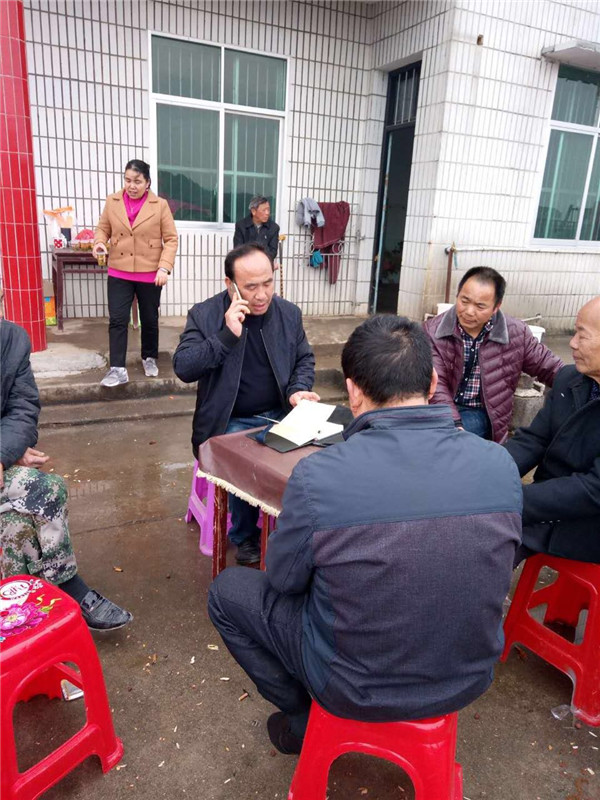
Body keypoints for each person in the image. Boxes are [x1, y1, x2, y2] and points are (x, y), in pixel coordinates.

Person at [208, 315, 522, 754]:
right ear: (432, 382)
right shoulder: (500, 464)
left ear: (353, 392)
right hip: (468, 680)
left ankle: (302, 715)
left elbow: (283, 580)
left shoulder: (318, 476)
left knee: (227, 591)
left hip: (352, 687)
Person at [173, 243, 318, 565]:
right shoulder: (205, 314)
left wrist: (297, 390)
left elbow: (304, 359)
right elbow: (183, 368)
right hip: (230, 420)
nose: (262, 295)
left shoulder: (288, 314)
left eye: (268, 283)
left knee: (314, 458)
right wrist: (226, 335)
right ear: (231, 285)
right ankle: (245, 535)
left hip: (281, 413)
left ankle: (290, 529)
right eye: (251, 287)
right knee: (246, 462)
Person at [0, 318, 132, 630]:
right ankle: (58, 596)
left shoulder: (11, 339)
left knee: (35, 503)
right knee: (26, 507)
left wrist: (4, 453)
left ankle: (29, 609)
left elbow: (22, 411)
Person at [505, 296, 600, 564]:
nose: (572, 343)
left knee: (490, 541)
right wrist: (490, 472)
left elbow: (593, 490)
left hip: (587, 525)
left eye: (582, 335)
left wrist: (513, 500)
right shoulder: (570, 379)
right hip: (545, 504)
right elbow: (534, 440)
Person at [423, 266, 563, 443]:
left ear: (496, 307)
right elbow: (437, 385)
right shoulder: (432, 331)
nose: (469, 311)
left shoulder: (516, 333)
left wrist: (583, 385)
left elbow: (548, 365)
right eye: (464, 301)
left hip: (483, 413)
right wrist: (453, 424)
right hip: (439, 410)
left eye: (480, 306)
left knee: (437, 442)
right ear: (457, 296)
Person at [93, 159, 178, 387]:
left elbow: (171, 239)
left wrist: (164, 267)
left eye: (137, 181)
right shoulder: (112, 201)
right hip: (119, 270)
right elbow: (103, 228)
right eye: (128, 180)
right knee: (117, 320)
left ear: (147, 182)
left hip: (150, 272)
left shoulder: (160, 205)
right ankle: (117, 369)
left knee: (149, 319)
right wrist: (99, 242)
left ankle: (149, 357)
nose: (131, 186)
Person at [233, 196, 280, 262]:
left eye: (268, 210)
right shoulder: (241, 226)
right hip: (246, 263)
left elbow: (273, 251)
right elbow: (238, 249)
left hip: (264, 264)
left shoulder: (274, 228)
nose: (267, 213)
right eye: (264, 210)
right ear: (253, 211)